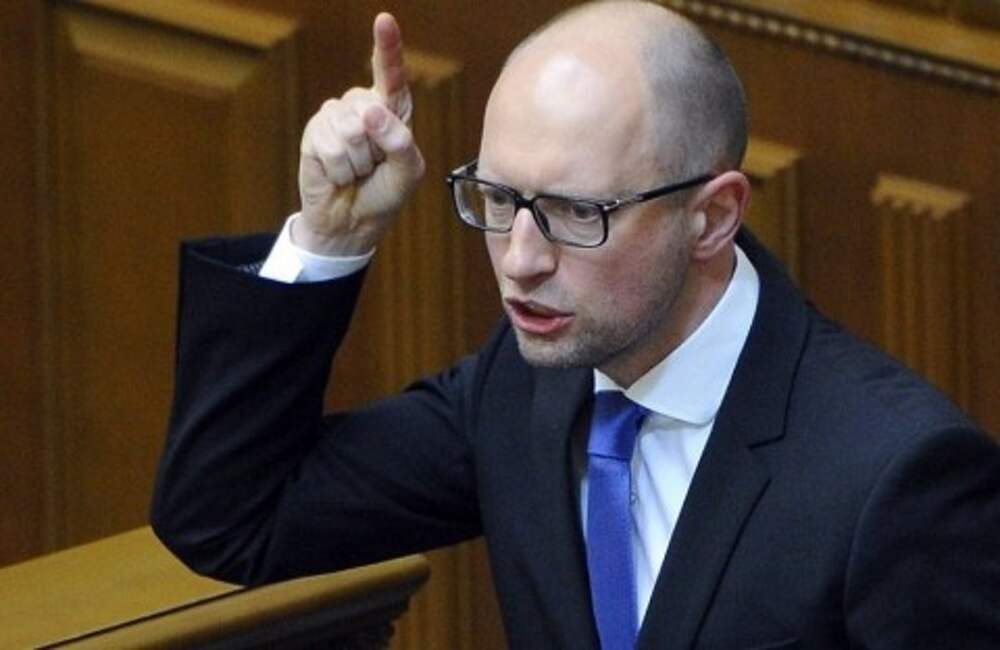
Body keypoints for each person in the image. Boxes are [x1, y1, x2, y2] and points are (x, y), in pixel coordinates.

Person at [151, 2, 1000, 648]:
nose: (519, 259)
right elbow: (234, 520)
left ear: (712, 217)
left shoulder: (897, 481)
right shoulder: (527, 383)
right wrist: (331, 239)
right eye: (497, 198)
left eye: (574, 213)